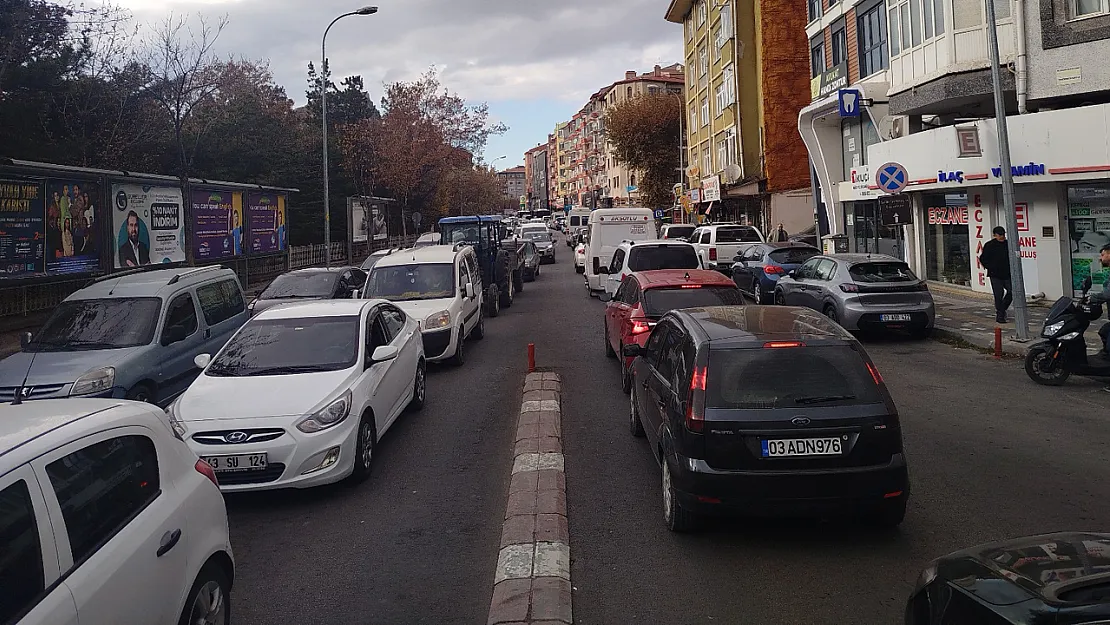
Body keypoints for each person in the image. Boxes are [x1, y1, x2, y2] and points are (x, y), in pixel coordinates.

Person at [978, 226, 1012, 323]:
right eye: (999, 235)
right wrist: (990, 267)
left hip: (1007, 273)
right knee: (998, 294)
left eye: (1003, 235)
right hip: (995, 274)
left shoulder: (1008, 244)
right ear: (995, 235)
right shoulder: (990, 245)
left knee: (1011, 292)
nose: (1002, 237)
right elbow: (983, 258)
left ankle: (1002, 308)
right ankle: (1000, 315)